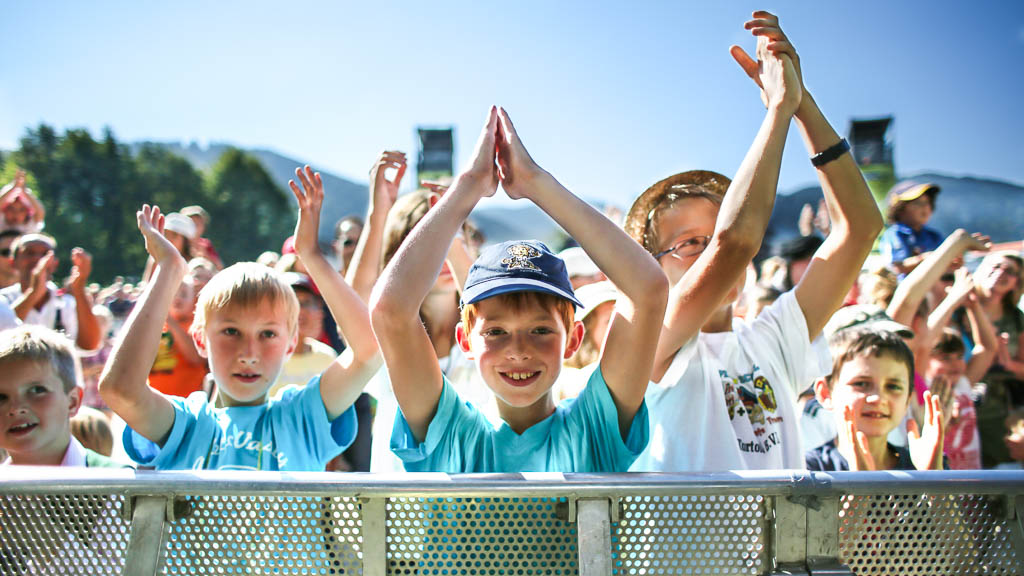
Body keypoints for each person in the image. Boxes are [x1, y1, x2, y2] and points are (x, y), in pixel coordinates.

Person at [627, 12, 880, 471]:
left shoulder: (772, 338)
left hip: (780, 548)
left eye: (713, 235)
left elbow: (860, 228)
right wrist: (779, 112)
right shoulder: (650, 345)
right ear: (651, 266)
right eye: (690, 243)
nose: (712, 254)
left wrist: (803, 106)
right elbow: (736, 244)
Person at [370, 107, 667, 473]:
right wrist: (468, 186)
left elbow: (648, 290)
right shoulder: (451, 435)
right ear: (466, 341)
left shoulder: (593, 430)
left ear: (574, 339)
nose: (518, 350)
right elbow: (390, 311)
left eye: (540, 330)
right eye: (495, 332)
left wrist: (536, 183)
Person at [99, 177, 380, 471]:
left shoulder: (301, 418)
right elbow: (120, 390)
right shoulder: (186, 426)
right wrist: (168, 270)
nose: (248, 353)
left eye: (268, 334)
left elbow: (369, 351)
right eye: (231, 332)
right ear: (200, 339)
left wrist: (310, 255)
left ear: (290, 343)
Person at [806, 328, 944, 471]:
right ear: (825, 393)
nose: (878, 398)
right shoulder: (809, 471)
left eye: (893, 387)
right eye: (861, 384)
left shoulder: (925, 465)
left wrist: (932, 479)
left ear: (907, 400)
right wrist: (863, 489)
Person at [0, 325, 120, 467]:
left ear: (72, 401)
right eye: (1, 398)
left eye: (37, 390)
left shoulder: (117, 482)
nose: (16, 408)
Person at [0, 234, 102, 351]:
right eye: (29, 253)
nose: (37, 259)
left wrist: (79, 289)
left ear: (55, 264)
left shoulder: (67, 303)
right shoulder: (3, 300)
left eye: (45, 254)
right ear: (13, 262)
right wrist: (33, 294)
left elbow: (89, 345)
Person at [267, 272, 337, 398]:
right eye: (291, 303)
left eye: (306, 303)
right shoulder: (262, 357)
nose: (299, 310)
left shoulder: (327, 357)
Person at [879, 181, 944, 276]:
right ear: (900, 208)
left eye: (928, 202)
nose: (925, 207)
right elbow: (894, 267)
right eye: (918, 203)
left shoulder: (934, 236)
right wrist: (927, 258)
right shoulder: (894, 234)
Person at [181, 205, 223, 269]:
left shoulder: (205, 244)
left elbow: (220, 267)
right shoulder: (178, 242)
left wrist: (205, 256)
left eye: (199, 223)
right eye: (192, 222)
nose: (195, 227)